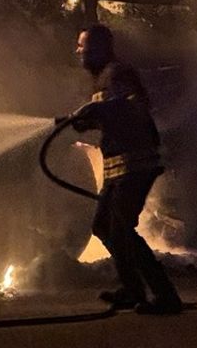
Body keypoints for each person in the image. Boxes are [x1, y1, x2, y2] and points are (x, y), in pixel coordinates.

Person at [57, 24, 183, 314]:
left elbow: (135, 107)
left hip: (135, 164)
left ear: (99, 49)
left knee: (123, 228)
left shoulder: (119, 73)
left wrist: (99, 111)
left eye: (82, 46)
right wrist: (88, 119)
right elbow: (112, 114)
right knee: (103, 226)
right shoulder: (101, 79)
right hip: (117, 167)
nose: (78, 51)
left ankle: (166, 297)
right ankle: (132, 289)